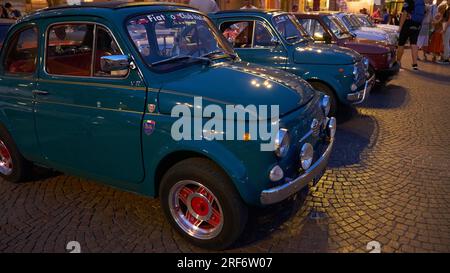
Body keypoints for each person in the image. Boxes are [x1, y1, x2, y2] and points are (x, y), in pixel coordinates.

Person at [397, 0, 426, 70]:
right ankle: (415, 64)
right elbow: (424, 13)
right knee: (414, 43)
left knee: (401, 43)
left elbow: (404, 13)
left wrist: (400, 27)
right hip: (417, 25)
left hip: (407, 24)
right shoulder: (421, 2)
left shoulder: (409, 1)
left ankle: (398, 62)